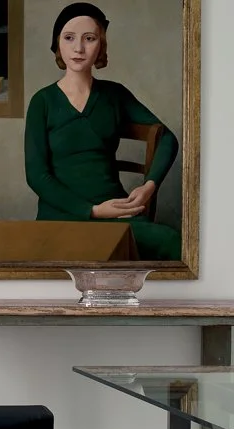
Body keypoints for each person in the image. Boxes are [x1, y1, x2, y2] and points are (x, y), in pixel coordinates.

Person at [23, 2, 182, 261]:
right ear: (58, 44)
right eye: (69, 37)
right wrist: (93, 211)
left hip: (116, 212)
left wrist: (149, 186)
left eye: (89, 38)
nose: (78, 48)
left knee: (174, 244)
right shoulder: (42, 101)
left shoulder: (114, 95)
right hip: (61, 217)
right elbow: (37, 176)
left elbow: (166, 138)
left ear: (101, 46)